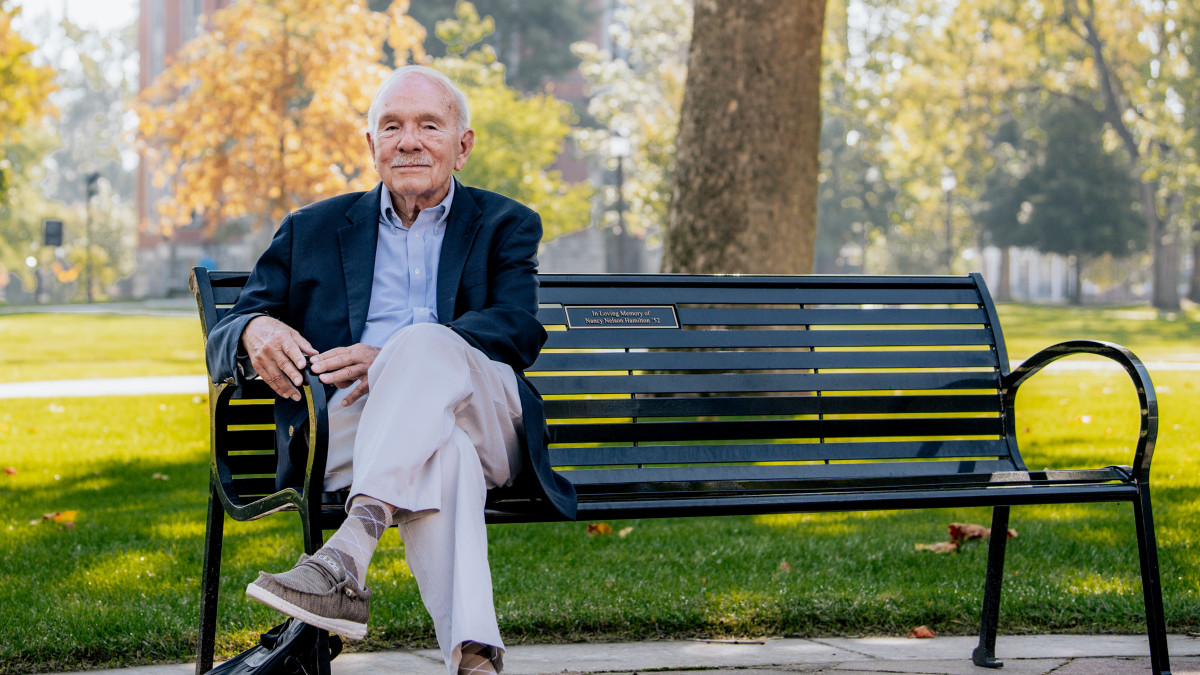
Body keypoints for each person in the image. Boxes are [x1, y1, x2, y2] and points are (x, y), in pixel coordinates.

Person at [204, 65, 576, 675]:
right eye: (392, 126)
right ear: (370, 144)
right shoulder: (311, 230)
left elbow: (517, 328)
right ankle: (475, 658)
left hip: (486, 417)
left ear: (463, 144)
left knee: (424, 344)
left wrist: (400, 355)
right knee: (442, 454)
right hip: (356, 429)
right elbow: (229, 330)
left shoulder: (506, 223)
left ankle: (347, 553)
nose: (409, 141)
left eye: (430, 125)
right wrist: (252, 328)